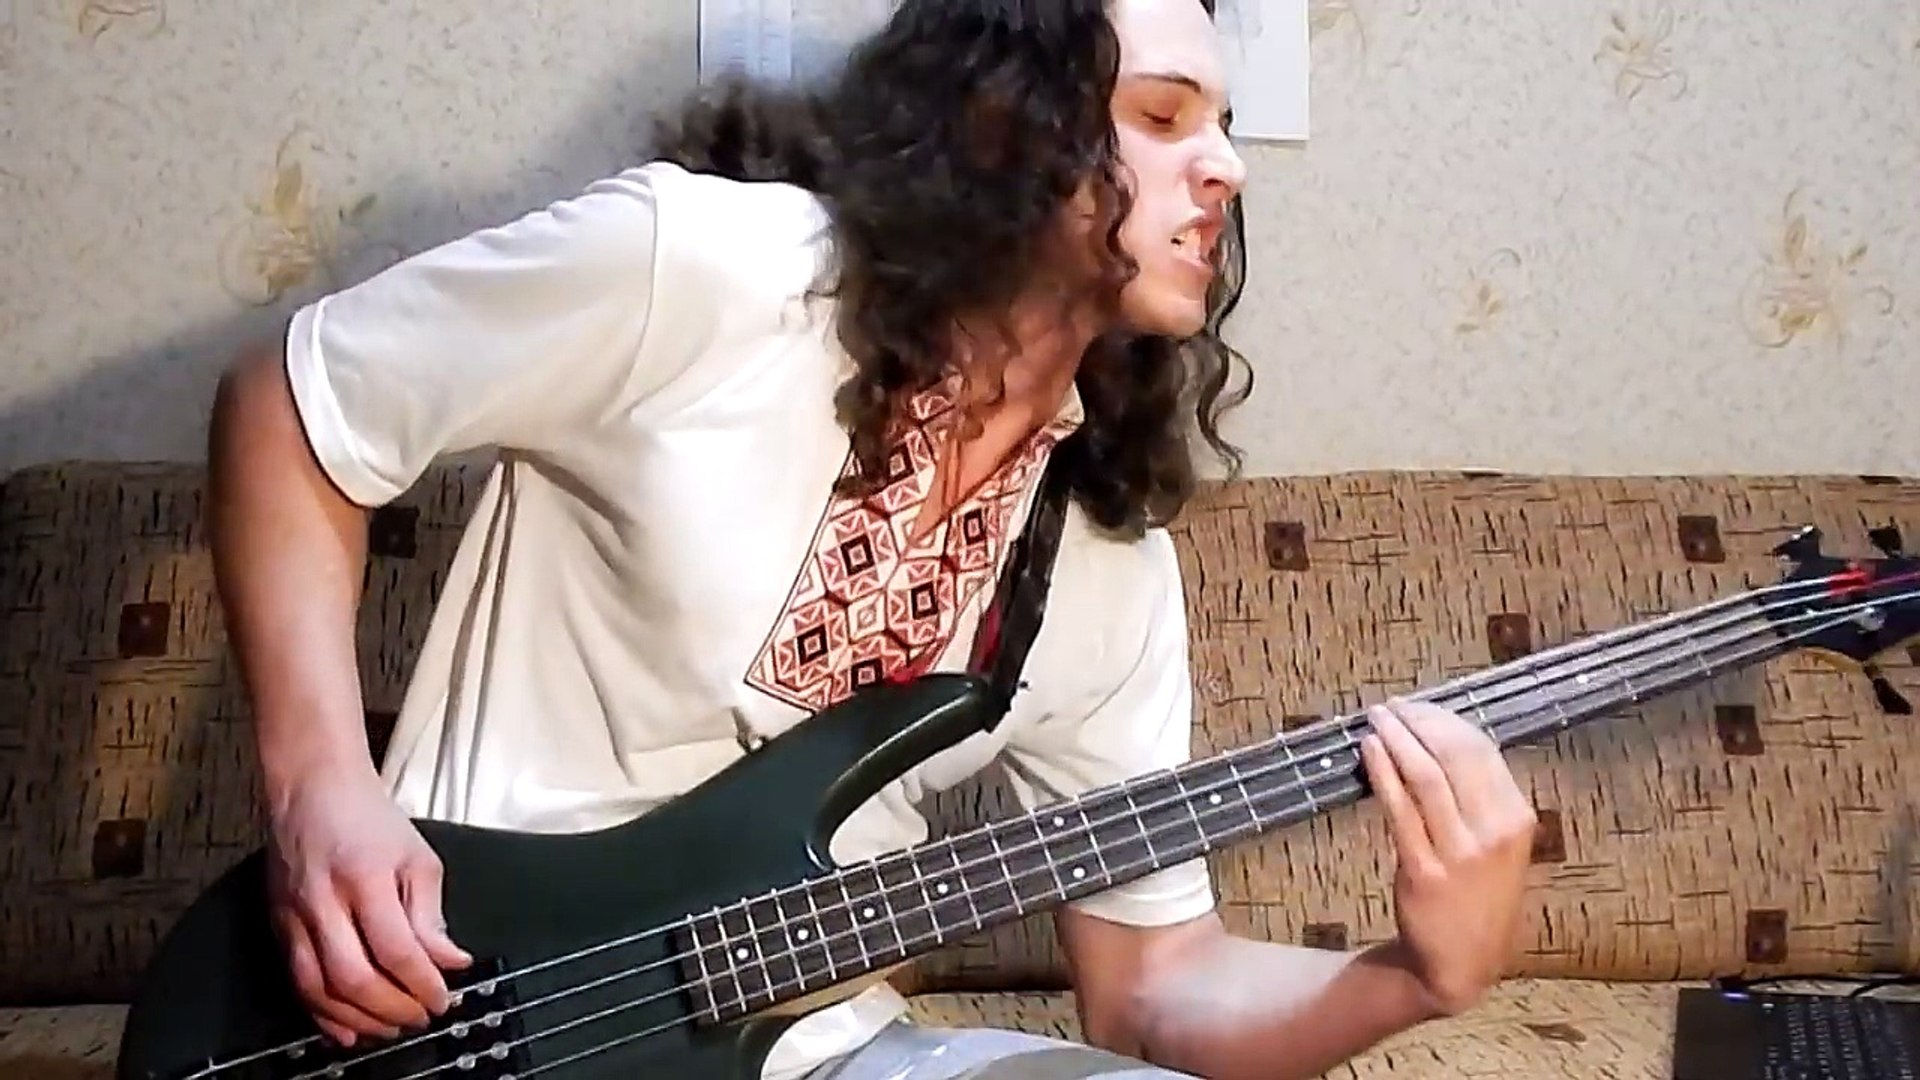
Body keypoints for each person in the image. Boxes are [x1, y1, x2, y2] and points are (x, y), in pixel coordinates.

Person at [204, 0, 1541, 1077]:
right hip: (451, 1015)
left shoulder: (1106, 565)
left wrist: (1414, 977)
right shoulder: (709, 271)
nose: (1229, 167)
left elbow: (1154, 986)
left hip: (823, 1050)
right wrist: (321, 791)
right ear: (1003, 123)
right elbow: (292, 406)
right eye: (1160, 115)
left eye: (1227, 125)